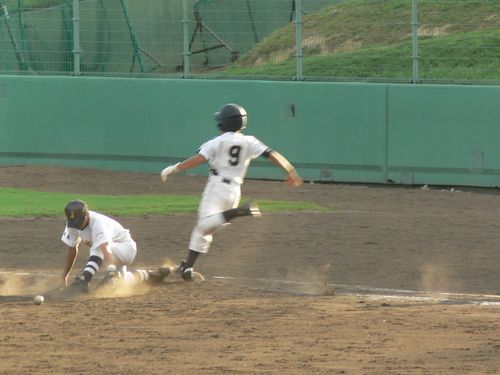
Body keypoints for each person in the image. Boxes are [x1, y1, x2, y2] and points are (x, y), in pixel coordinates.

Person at [160, 103, 303, 281]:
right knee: (206, 230)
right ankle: (187, 267)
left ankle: (240, 211)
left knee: (204, 226)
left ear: (222, 123)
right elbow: (273, 154)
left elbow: (198, 159)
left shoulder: (215, 142)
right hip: (234, 191)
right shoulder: (250, 141)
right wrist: (290, 171)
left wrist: (175, 168)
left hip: (216, 188)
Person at [60, 200, 170, 293]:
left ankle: (84, 280)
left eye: (79, 222)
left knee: (97, 246)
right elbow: (72, 249)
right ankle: (154, 274)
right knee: (122, 282)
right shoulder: (72, 223)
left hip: (126, 249)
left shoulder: (98, 224)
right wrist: (64, 276)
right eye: (74, 223)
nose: (77, 226)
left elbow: (105, 249)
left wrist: (111, 271)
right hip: (113, 252)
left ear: (86, 214)